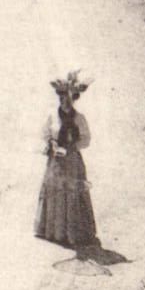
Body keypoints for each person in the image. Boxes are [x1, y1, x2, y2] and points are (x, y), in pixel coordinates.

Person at [34, 71, 97, 249]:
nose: (66, 103)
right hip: (55, 161)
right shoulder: (52, 116)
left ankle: (74, 233)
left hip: (72, 161)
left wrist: (72, 147)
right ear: (60, 99)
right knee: (55, 191)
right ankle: (54, 232)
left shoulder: (79, 118)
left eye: (70, 100)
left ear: (74, 100)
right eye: (63, 99)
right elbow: (44, 133)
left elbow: (86, 139)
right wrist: (51, 143)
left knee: (72, 192)